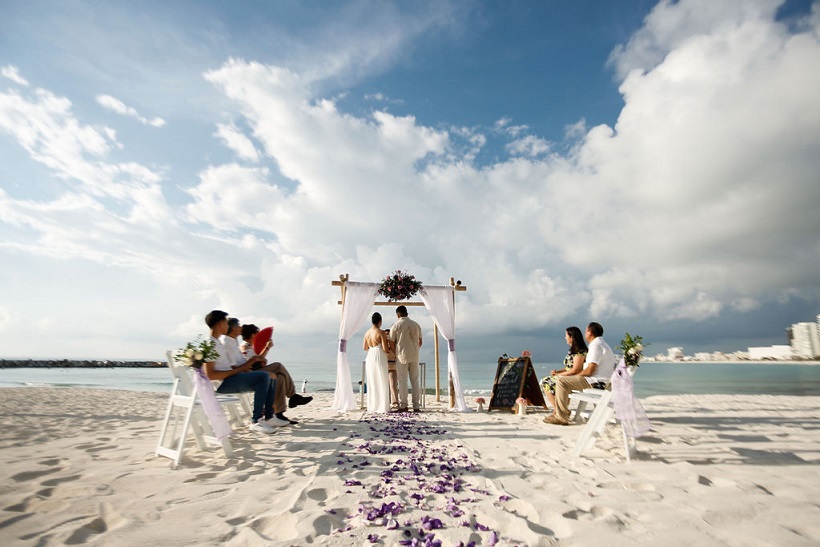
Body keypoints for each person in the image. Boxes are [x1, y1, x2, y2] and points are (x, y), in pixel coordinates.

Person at [201, 310, 278, 434]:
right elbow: (210, 375)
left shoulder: (217, 343)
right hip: (224, 384)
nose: (228, 326)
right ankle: (256, 421)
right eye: (226, 323)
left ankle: (269, 416)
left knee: (270, 377)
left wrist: (245, 366)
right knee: (263, 376)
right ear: (220, 324)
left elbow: (228, 366)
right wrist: (240, 369)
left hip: (232, 378)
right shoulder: (210, 345)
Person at [544, 321, 617, 425]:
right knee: (564, 381)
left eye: (586, 331)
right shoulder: (601, 344)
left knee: (562, 382)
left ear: (589, 332)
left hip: (595, 382)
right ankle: (561, 413)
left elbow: (589, 370)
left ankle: (561, 416)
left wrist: (575, 376)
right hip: (600, 381)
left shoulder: (596, 345)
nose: (585, 334)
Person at [240, 323, 312, 424]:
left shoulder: (253, 347)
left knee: (280, 378)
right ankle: (293, 396)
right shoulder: (244, 347)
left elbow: (260, 359)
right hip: (253, 375)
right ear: (253, 335)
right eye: (258, 334)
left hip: (259, 372)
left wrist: (262, 358)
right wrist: (267, 348)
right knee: (278, 366)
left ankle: (279, 413)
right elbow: (254, 361)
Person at [541, 326, 587, 416]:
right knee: (547, 380)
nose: (565, 338)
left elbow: (576, 370)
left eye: (566, 336)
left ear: (572, 337)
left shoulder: (580, 352)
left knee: (546, 382)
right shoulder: (573, 351)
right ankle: (559, 410)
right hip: (569, 375)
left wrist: (559, 375)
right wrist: (557, 372)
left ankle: (558, 410)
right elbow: (568, 368)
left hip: (574, 378)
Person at [389, 305, 422, 412]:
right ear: (406, 313)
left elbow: (391, 343)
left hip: (401, 356)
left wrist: (396, 352)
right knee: (415, 380)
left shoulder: (395, 325)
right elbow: (420, 342)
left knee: (403, 381)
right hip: (414, 355)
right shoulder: (416, 325)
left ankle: (404, 405)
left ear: (398, 314)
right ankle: (416, 406)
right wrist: (415, 349)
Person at [363, 312, 391, 413]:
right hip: (379, 355)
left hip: (370, 355)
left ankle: (373, 406)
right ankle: (382, 406)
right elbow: (385, 349)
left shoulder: (367, 333)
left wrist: (372, 349)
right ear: (380, 321)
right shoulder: (381, 332)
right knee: (381, 379)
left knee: (372, 380)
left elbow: (364, 347)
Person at [384, 329, 400, 409]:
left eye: (388, 335)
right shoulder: (383, 346)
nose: (387, 336)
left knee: (393, 385)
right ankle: (386, 401)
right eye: (385, 335)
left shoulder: (395, 346)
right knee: (385, 386)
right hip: (384, 367)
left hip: (393, 366)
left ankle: (395, 402)